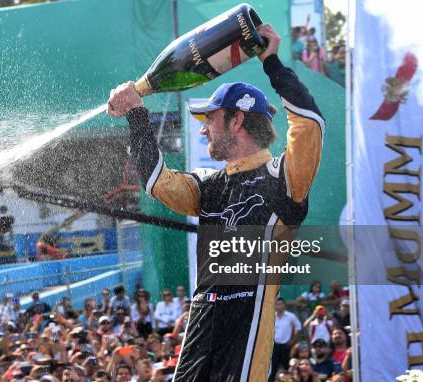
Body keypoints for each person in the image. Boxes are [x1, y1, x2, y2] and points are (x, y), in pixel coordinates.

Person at [108, 23, 324, 381]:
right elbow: (157, 182)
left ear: (236, 119)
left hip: (245, 331)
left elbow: (309, 124)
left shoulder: (283, 178)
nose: (203, 129)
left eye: (209, 118)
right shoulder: (209, 185)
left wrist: (273, 64)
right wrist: (136, 113)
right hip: (200, 324)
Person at [271, 297, 302, 381]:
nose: (278, 306)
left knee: (287, 368)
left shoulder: (290, 316)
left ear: (284, 305)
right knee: (272, 369)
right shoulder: (271, 316)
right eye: (277, 304)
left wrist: (292, 341)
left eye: (280, 304)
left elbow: (298, 327)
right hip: (274, 347)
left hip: (286, 346)